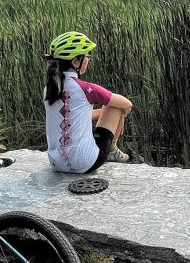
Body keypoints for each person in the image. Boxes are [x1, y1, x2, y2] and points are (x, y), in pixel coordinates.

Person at [43, 31, 131, 174]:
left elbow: (73, 116)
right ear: (76, 62)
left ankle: (113, 147)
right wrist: (122, 115)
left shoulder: (49, 89)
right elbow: (127, 104)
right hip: (86, 162)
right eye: (87, 56)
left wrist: (103, 114)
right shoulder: (86, 89)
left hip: (57, 164)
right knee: (116, 107)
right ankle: (113, 149)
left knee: (109, 108)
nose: (88, 59)